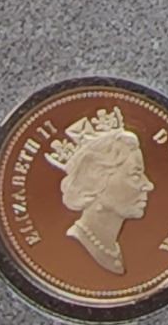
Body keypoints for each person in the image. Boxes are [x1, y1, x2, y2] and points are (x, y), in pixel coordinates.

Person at [45, 108, 154, 276]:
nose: (148, 185)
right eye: (135, 175)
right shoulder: (71, 247)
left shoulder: (113, 247)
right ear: (97, 181)